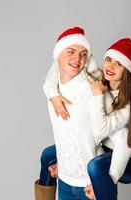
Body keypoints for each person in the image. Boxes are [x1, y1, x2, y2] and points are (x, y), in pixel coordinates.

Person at [39, 37, 131, 200]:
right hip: (105, 147)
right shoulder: (102, 78)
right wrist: (53, 95)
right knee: (48, 154)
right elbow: (57, 66)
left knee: (95, 166)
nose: (110, 66)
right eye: (109, 59)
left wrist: (105, 182)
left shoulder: (127, 105)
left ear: (127, 70)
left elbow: (103, 131)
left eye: (119, 64)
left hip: (127, 159)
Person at [34, 26, 102, 200]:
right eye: (70, 51)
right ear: (58, 55)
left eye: (83, 53)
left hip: (90, 184)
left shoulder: (92, 89)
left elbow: (107, 131)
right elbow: (50, 78)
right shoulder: (54, 87)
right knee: (47, 155)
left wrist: (102, 181)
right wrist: (63, 166)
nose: (77, 58)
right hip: (64, 181)